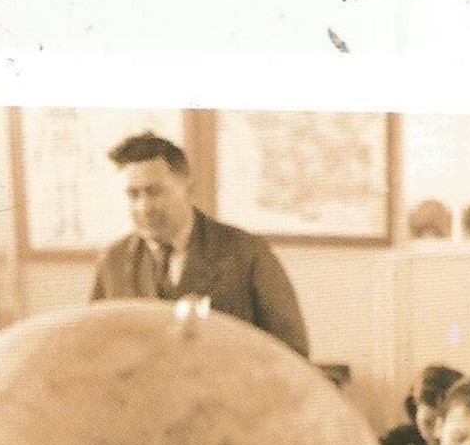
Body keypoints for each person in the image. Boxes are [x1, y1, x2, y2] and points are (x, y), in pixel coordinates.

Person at [90, 132, 310, 356]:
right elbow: (94, 351)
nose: (144, 207)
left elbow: (292, 354)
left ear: (188, 186)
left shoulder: (246, 252)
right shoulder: (113, 261)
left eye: (154, 192)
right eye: (133, 195)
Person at [381, 364, 464, 445]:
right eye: (429, 423)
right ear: (415, 411)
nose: (436, 433)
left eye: (446, 423)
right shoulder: (394, 443)